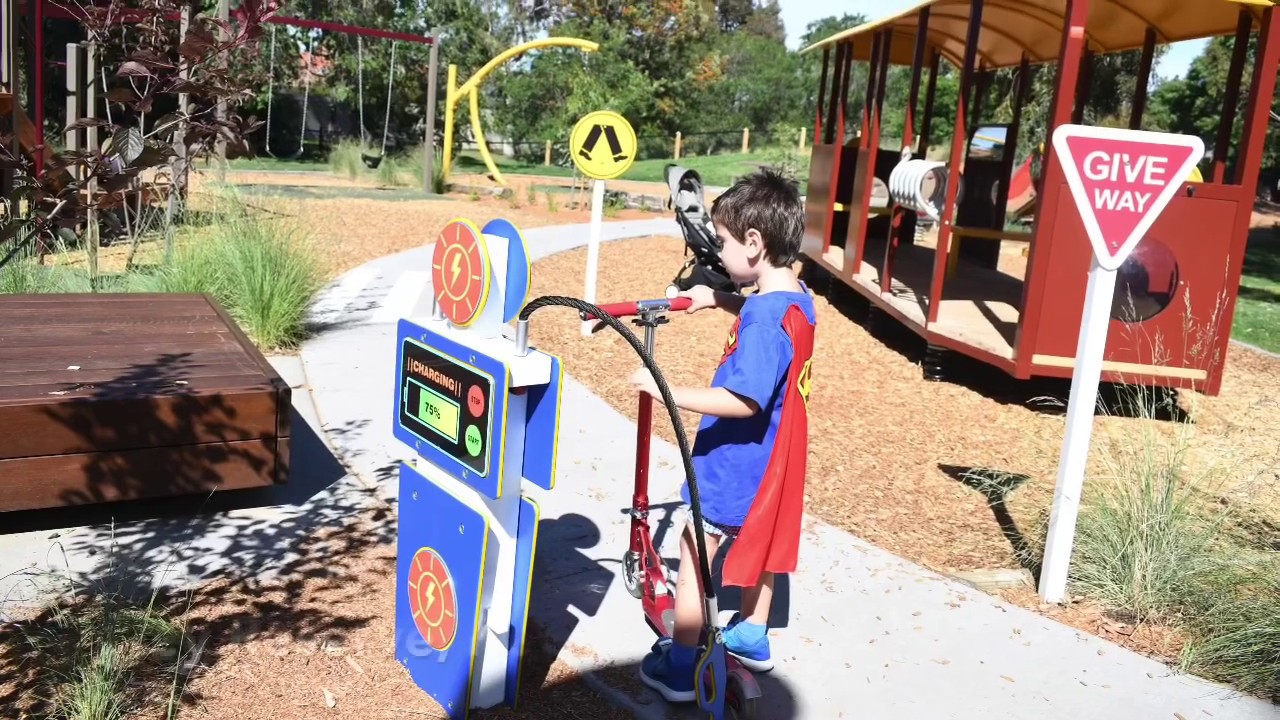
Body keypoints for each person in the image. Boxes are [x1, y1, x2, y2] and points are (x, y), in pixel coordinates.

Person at [628, 167, 817, 703]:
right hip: (773, 459)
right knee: (762, 542)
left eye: (725, 241)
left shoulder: (762, 324)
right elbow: (765, 312)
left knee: (694, 555)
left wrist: (664, 387)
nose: (719, 250)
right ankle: (753, 632)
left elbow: (744, 399)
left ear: (754, 243)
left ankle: (679, 668)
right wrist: (718, 299)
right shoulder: (796, 298)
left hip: (732, 464)